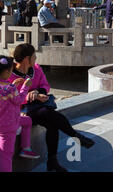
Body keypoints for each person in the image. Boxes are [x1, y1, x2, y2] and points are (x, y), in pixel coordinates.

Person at [8, 44, 95, 172]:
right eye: (34, 56)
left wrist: (38, 92)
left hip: (38, 107)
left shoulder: (36, 69)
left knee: (52, 123)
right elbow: (9, 97)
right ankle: (75, 137)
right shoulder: (9, 74)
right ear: (27, 59)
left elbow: (45, 85)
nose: (36, 58)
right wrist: (30, 97)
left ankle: (53, 161)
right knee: (48, 115)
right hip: (21, 111)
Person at [0, 56, 40, 172]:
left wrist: (13, 85)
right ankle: (25, 148)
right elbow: (19, 100)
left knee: (27, 120)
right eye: (11, 71)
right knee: (5, 156)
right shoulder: (10, 89)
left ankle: (25, 148)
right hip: (8, 127)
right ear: (7, 72)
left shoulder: (9, 87)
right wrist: (25, 87)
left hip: (5, 122)